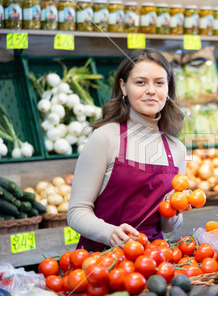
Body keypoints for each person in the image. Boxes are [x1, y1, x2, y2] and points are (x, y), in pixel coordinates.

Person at [67, 49, 186, 252]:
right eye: (140, 82)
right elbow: (77, 212)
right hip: (101, 259)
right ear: (124, 86)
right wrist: (110, 233)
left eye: (159, 82)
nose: (151, 90)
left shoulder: (177, 149)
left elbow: (168, 227)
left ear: (168, 89)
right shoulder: (105, 138)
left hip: (152, 260)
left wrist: (175, 209)